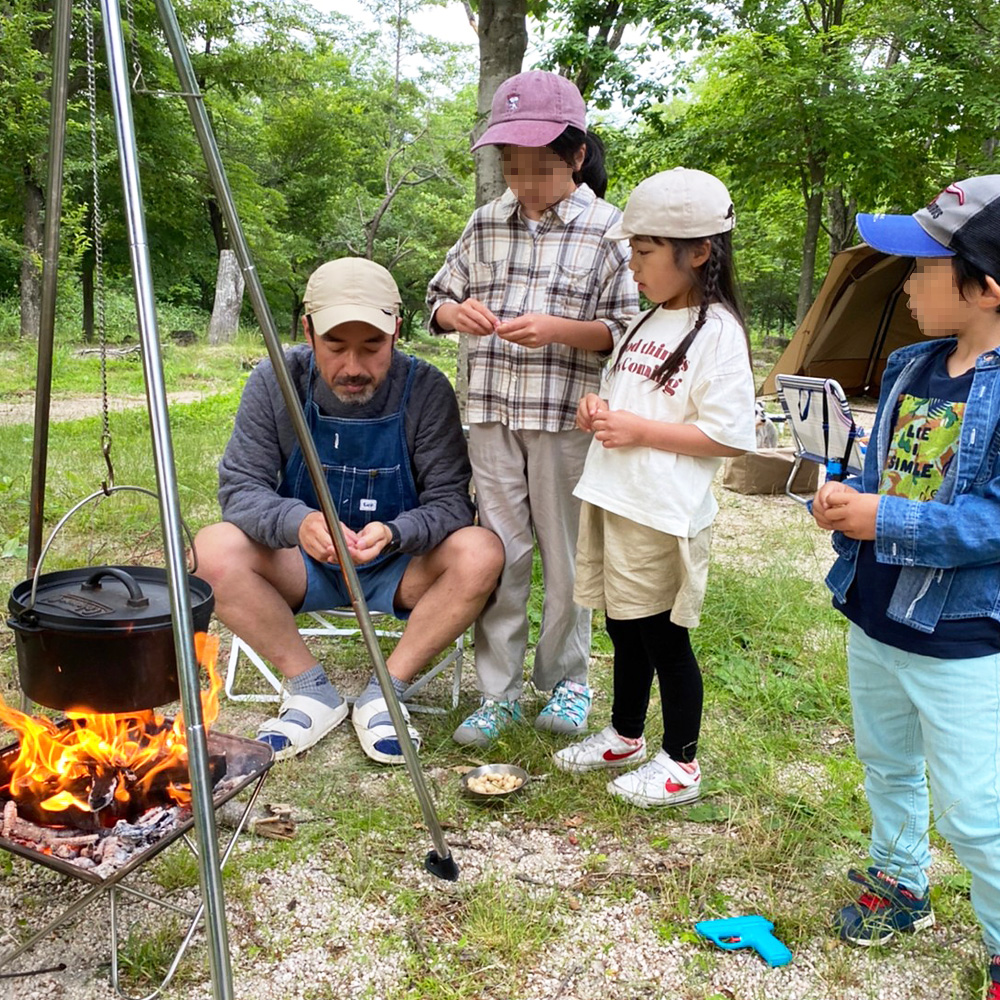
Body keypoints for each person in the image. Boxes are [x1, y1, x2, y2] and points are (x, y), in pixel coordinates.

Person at [196, 257, 504, 764]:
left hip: (397, 566)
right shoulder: (276, 381)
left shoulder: (425, 390)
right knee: (210, 549)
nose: (354, 367)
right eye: (336, 347)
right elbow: (241, 489)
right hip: (305, 563)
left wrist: (396, 531)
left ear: (397, 333)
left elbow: (451, 504)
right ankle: (309, 689)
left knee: (481, 550)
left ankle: (387, 691)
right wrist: (299, 522)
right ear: (308, 331)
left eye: (373, 347)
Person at [811, 175, 1000, 995]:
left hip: (959, 635)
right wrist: (845, 487)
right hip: (875, 610)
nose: (907, 280)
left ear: (986, 287)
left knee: (976, 809)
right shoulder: (910, 365)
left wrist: (884, 517)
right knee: (888, 763)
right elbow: (880, 466)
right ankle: (901, 882)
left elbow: (990, 522)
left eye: (924, 266)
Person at [426, 70, 638, 747]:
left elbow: (626, 330)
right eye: (512, 168)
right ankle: (499, 692)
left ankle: (567, 683)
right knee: (504, 553)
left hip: (565, 419)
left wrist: (558, 329)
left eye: (538, 169)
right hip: (489, 413)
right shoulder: (486, 224)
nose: (523, 183)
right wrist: (454, 312)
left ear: (576, 157)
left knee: (568, 557)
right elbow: (437, 298)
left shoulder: (612, 231)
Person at [551, 167, 756, 807]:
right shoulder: (648, 320)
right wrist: (600, 411)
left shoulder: (717, 332)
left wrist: (638, 428)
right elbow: (626, 398)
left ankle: (681, 763)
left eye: (643, 252)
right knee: (621, 625)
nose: (633, 266)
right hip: (615, 495)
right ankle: (625, 734)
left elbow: (728, 436)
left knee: (664, 636)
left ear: (698, 252)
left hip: (662, 513)